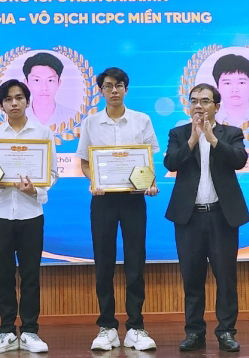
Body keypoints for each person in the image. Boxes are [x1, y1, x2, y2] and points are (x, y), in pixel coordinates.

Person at [75, 67, 159, 351]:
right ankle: (107, 326)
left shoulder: (141, 120)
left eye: (119, 85)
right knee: (104, 263)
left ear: (126, 89)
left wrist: (150, 183)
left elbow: (147, 162)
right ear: (100, 90)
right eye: (108, 86)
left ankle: (136, 326)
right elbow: (85, 163)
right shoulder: (91, 123)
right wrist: (94, 180)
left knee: (136, 262)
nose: (114, 90)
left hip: (134, 199)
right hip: (103, 199)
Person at [163, 83, 249, 352]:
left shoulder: (231, 133)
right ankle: (194, 332)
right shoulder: (178, 133)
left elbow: (239, 160)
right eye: (194, 101)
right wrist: (192, 140)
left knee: (225, 277)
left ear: (216, 106)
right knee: (192, 278)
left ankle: (225, 332)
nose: (198, 105)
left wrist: (212, 139)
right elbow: (170, 163)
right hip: (189, 218)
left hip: (222, 217)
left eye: (205, 100)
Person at [0, 79, 58, 354]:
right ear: (0, 105)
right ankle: (7, 331)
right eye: (8, 99)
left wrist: (37, 189)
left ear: (27, 101)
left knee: (31, 275)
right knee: (3, 276)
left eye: (19, 97)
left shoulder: (43, 133)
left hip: (31, 214)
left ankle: (31, 331)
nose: (14, 103)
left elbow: (53, 173)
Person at [22, 52, 77, 127]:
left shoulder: (74, 118)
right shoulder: (17, 117)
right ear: (26, 83)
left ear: (59, 83)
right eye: (37, 80)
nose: (44, 88)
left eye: (50, 80)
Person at [212, 54, 249, 126]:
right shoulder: (210, 119)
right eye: (227, 83)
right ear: (217, 87)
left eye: (241, 82)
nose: (235, 89)